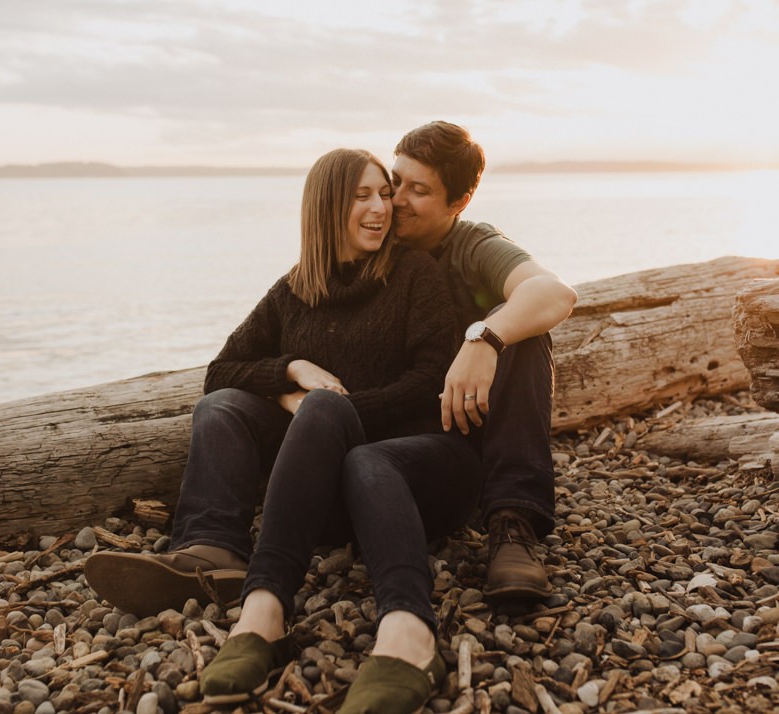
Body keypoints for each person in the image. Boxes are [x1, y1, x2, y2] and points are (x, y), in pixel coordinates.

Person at [85, 148, 483, 711]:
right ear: (324, 208)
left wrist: (333, 411)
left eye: (383, 194)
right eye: (361, 196)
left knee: (338, 425)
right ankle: (213, 549)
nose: (381, 208)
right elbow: (220, 371)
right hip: (329, 486)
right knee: (223, 406)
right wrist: (290, 372)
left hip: (421, 472)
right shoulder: (296, 287)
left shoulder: (414, 274)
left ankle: (364, 624)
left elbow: (431, 378)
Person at [387, 121, 578, 598]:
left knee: (522, 331)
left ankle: (514, 523)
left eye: (418, 190)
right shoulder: (373, 235)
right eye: (396, 181)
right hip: (389, 429)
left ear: (458, 203)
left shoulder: (472, 244)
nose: (396, 200)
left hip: (462, 429)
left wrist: (484, 340)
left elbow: (553, 292)